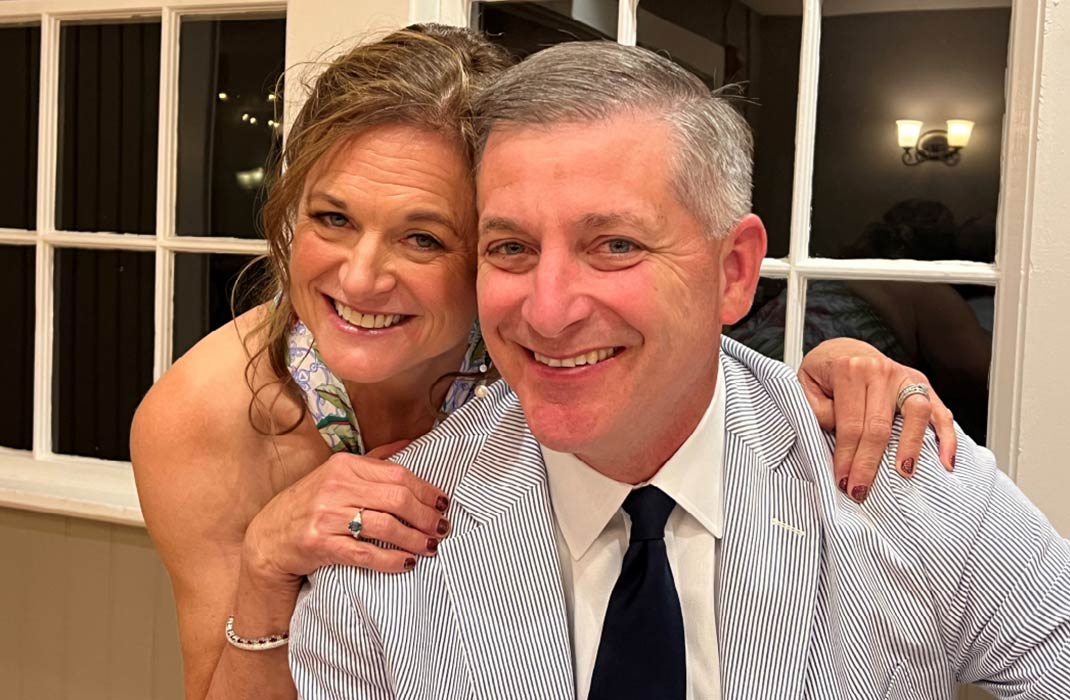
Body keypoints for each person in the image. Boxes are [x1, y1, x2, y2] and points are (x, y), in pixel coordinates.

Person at [132, 26, 953, 700]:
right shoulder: (203, 419)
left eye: (424, 237)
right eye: (332, 218)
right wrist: (267, 566)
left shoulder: (538, 334)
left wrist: (851, 364)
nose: (361, 277)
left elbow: (684, 357)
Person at [288, 41, 1070, 699]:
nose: (549, 311)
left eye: (615, 245)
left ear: (733, 272)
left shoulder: (905, 485)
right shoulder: (384, 552)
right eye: (511, 247)